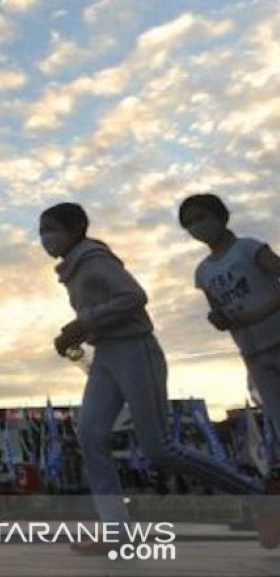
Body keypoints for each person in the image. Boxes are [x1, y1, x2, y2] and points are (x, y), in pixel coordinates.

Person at [40, 201, 279, 554]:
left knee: (159, 448)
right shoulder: (74, 268)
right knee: (90, 434)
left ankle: (259, 497)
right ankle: (115, 529)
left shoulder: (94, 259)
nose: (46, 238)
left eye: (51, 229)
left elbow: (134, 297)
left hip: (135, 350)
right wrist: (76, 334)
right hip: (106, 354)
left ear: (76, 229)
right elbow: (98, 314)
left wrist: (84, 323)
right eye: (42, 231)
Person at [180, 193, 280, 457]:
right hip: (253, 352)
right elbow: (217, 312)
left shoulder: (249, 248)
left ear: (220, 216)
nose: (196, 227)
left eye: (200, 218)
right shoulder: (202, 272)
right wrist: (217, 319)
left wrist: (262, 311)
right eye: (188, 223)